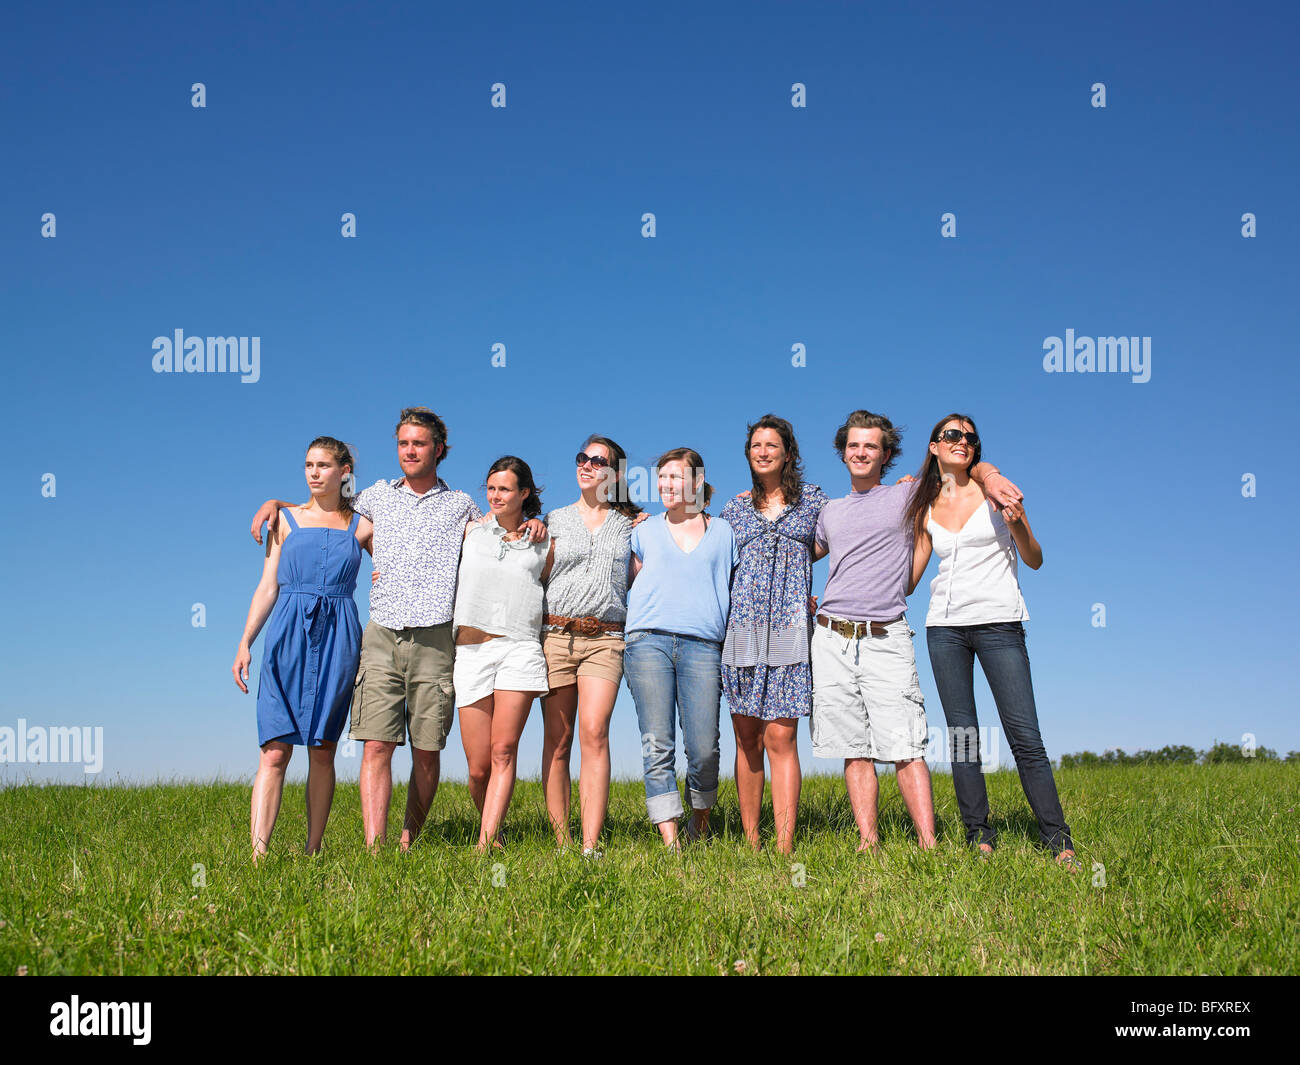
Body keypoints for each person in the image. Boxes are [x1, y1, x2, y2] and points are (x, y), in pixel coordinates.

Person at [249, 407, 546, 850]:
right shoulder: (374, 497)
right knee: (375, 746)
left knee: (427, 751)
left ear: (438, 450)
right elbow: (326, 513)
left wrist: (534, 522)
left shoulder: (461, 504)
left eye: (419, 443)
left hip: (436, 638)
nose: (409, 451)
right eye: (403, 443)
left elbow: (499, 528)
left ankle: (410, 838)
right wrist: (277, 504)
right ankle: (376, 848)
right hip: (382, 634)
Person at [810, 410, 1022, 852]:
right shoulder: (829, 512)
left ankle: (928, 843)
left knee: (906, 744)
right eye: (853, 445)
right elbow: (791, 552)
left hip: (886, 636)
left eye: (870, 446)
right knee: (855, 747)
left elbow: (962, 469)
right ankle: (869, 841)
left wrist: (991, 472)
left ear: (885, 454)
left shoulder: (910, 496)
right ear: (842, 452)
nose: (861, 452)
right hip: (831, 635)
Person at [906, 414, 1077, 868]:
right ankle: (979, 835)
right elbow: (908, 581)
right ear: (934, 447)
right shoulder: (925, 507)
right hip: (944, 629)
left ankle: (1058, 840)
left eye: (969, 437)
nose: (962, 442)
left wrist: (1017, 523)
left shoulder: (995, 491)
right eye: (952, 435)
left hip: (1000, 623)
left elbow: (1035, 559)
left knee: (1025, 735)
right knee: (962, 736)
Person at [233, 437, 372, 860]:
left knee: (322, 749)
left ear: (343, 471)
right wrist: (245, 643)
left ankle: (313, 851)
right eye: (308, 465)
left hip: (339, 635)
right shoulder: (285, 520)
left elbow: (404, 561)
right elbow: (267, 586)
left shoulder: (363, 525)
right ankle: (258, 855)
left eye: (324, 465)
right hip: (288, 632)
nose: (314, 472)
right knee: (274, 748)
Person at [719, 415, 829, 853]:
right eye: (756, 446)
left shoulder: (813, 501)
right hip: (742, 626)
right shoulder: (734, 508)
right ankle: (751, 840)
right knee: (747, 736)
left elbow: (844, 540)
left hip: (787, 626)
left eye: (772, 445)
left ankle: (784, 843)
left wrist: (814, 591)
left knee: (780, 736)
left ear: (788, 453)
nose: (763, 452)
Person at [623, 448, 738, 850]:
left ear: (695, 482)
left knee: (704, 747)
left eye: (675, 478)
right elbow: (624, 584)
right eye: (662, 478)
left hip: (704, 646)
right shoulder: (642, 531)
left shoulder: (724, 532)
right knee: (657, 742)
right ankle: (671, 841)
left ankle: (700, 822)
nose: (666, 486)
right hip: (647, 642)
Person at [538, 436, 644, 857]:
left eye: (598, 461)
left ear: (614, 475)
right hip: (556, 636)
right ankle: (563, 842)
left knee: (595, 732)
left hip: (606, 639)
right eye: (582, 457)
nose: (587, 465)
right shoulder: (554, 519)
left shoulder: (634, 524)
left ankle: (590, 844)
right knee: (557, 740)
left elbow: (663, 560)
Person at [452, 456, 554, 851]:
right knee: (478, 768)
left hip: (520, 649)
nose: (496, 495)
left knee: (502, 750)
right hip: (472, 651)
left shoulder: (544, 539)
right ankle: (492, 829)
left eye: (505, 489)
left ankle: (485, 844)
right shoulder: (470, 532)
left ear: (524, 493)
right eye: (491, 488)